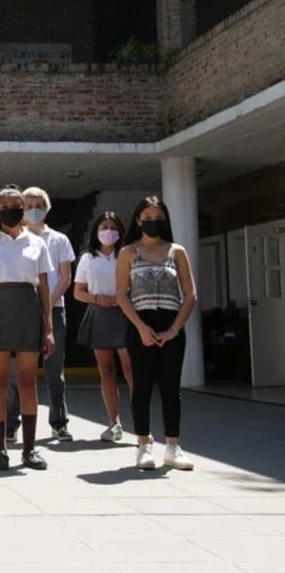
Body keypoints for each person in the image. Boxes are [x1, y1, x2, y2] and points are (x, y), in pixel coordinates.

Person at [0, 185, 54, 471]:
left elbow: (43, 287)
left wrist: (49, 327)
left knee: (28, 382)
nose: (12, 209)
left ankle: (29, 450)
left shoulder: (37, 243)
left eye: (16, 204)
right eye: (5, 205)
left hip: (28, 310)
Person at [116, 196, 197, 470]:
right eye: (147, 218)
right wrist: (141, 327)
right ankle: (143, 445)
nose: (153, 223)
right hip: (141, 326)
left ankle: (173, 446)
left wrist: (175, 329)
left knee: (171, 388)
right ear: (138, 220)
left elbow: (190, 295)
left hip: (171, 325)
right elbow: (121, 295)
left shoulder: (177, 251)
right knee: (141, 386)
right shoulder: (128, 252)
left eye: (158, 217)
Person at [6, 186, 75, 443]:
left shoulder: (59, 240)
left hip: (54, 311)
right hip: (21, 312)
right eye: (29, 205)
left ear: (47, 208)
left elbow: (65, 277)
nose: (34, 210)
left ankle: (59, 422)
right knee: (17, 371)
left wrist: (47, 304)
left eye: (39, 205)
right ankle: (11, 423)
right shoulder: (14, 239)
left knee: (55, 370)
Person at [74, 212, 134, 442]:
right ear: (96, 231)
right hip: (99, 314)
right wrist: (97, 299)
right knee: (106, 371)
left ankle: (141, 423)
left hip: (125, 314)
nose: (108, 231)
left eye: (113, 227)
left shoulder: (128, 255)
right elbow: (78, 292)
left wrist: (123, 298)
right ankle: (114, 421)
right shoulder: (88, 258)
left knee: (131, 372)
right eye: (103, 226)